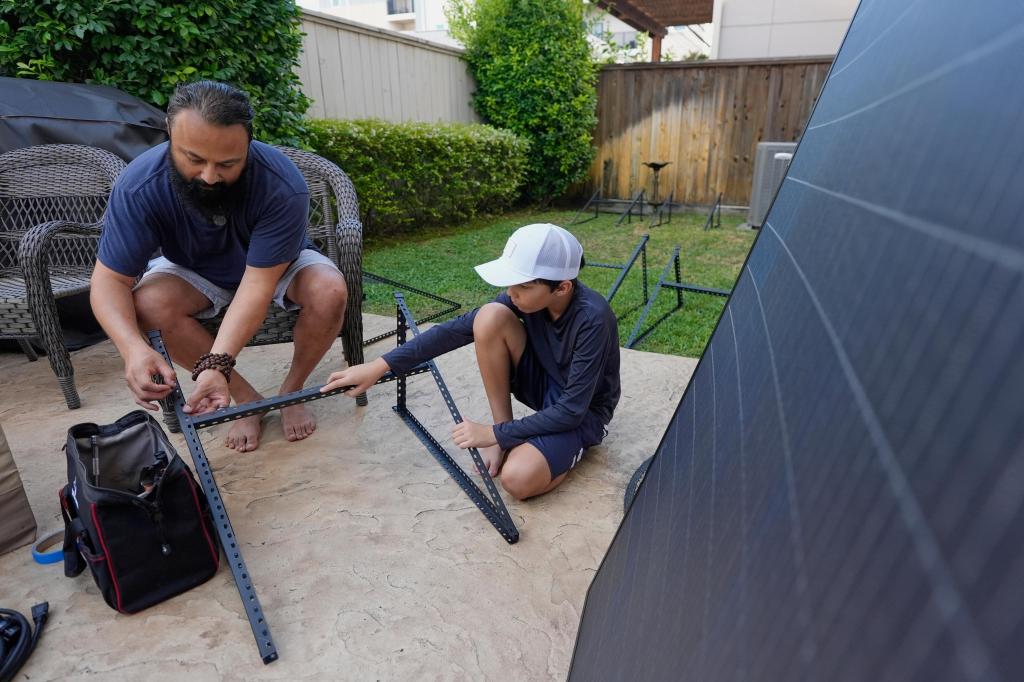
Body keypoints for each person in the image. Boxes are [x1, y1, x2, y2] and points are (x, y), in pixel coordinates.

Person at [90, 80, 349, 452]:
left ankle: (290, 392)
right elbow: (109, 280)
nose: (210, 176)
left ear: (248, 145)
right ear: (169, 134)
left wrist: (217, 362)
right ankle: (247, 400)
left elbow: (257, 285)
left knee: (330, 290)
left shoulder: (281, 183)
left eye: (228, 163)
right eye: (194, 159)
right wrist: (132, 348)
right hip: (192, 267)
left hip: (276, 267)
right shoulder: (138, 187)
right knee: (145, 304)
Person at [322, 223, 620, 500]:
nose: (511, 293)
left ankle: (557, 447)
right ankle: (506, 433)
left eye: (523, 286)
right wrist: (379, 366)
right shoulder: (524, 298)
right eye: (510, 283)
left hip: (581, 413)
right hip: (545, 385)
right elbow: (456, 330)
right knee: (489, 316)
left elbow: (571, 410)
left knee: (517, 479)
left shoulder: (592, 319)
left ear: (562, 287)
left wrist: (490, 434)